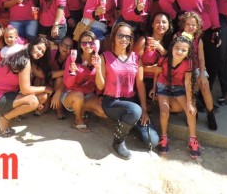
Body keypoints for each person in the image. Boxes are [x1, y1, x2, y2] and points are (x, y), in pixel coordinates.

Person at [159, 0, 221, 93]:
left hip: (208, 30)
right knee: (190, 66)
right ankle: (192, 97)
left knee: (212, 64)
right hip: (189, 33)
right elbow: (164, 1)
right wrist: (177, 15)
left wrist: (217, 28)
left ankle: (205, 95)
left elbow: (212, 7)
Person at [94, 22, 157, 160]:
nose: (124, 39)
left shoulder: (135, 58)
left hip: (131, 102)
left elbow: (140, 85)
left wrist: (144, 110)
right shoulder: (105, 56)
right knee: (134, 111)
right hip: (112, 102)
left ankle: (129, 122)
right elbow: (100, 86)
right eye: (120, 35)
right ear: (114, 37)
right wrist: (98, 69)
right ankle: (118, 142)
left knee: (152, 140)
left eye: (127, 36)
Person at [0, 37, 53, 137]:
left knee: (43, 97)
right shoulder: (24, 60)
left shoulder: (23, 55)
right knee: (33, 102)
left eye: (42, 52)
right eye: (38, 48)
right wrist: (46, 88)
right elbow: (25, 90)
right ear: (32, 45)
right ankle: (3, 119)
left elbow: (41, 75)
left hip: (7, 94)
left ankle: (16, 114)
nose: (40, 53)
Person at [150, 35, 200, 159]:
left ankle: (193, 139)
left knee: (190, 111)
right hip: (163, 86)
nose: (179, 52)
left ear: (188, 52)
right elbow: (157, 74)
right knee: (164, 112)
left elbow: (188, 84)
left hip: (178, 87)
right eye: (177, 48)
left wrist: (189, 102)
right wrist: (154, 88)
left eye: (183, 50)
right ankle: (164, 138)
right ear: (172, 48)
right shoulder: (164, 59)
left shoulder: (188, 63)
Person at [176, 11, 217, 130]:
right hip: (182, 69)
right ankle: (193, 111)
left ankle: (211, 114)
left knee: (204, 85)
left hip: (196, 68)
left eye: (193, 25)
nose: (190, 27)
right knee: (191, 86)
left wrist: (203, 75)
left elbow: (201, 59)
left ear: (197, 27)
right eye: (188, 24)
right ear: (183, 25)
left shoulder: (198, 40)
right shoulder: (177, 36)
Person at [61, 31, 106, 132]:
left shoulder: (99, 59)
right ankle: (78, 119)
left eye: (90, 43)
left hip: (88, 95)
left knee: (103, 112)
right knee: (78, 96)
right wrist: (73, 72)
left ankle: (80, 109)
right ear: (80, 45)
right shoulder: (73, 58)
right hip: (70, 94)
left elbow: (100, 87)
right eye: (84, 43)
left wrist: (98, 69)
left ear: (95, 44)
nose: (87, 46)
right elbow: (67, 84)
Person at [133, 12, 173, 107]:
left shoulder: (170, 43)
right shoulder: (144, 41)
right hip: (143, 80)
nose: (161, 25)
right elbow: (132, 64)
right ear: (152, 24)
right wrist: (150, 69)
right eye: (157, 22)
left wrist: (161, 49)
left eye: (164, 22)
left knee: (174, 106)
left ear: (169, 25)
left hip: (161, 81)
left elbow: (173, 64)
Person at [48, 36, 74, 119]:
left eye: (69, 47)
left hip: (63, 84)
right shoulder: (52, 53)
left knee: (60, 79)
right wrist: (66, 71)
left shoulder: (72, 58)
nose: (66, 48)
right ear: (59, 45)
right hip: (48, 80)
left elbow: (68, 78)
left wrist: (58, 92)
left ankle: (58, 108)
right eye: (64, 45)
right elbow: (47, 74)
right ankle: (46, 105)